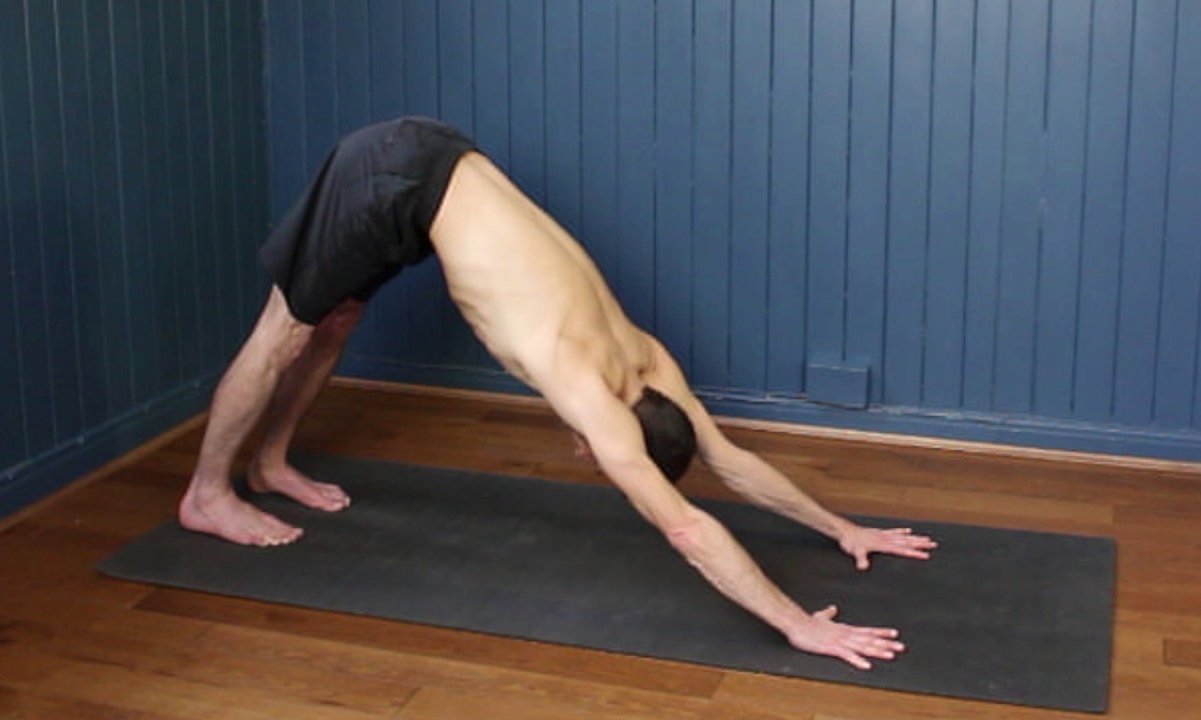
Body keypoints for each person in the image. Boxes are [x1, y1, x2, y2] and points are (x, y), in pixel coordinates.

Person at [178, 117, 937, 670]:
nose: (586, 455)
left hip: (435, 162)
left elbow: (727, 459)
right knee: (283, 332)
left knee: (334, 319)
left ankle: (269, 465)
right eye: (602, 457)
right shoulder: (592, 392)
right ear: (624, 435)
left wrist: (842, 529)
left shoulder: (646, 362)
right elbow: (685, 528)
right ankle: (208, 493)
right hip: (394, 174)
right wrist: (797, 623)